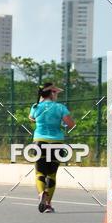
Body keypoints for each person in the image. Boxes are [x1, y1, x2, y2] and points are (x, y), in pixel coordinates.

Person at [29, 83, 75, 213]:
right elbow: (71, 124)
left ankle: (41, 194)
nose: (57, 95)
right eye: (56, 93)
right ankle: (48, 204)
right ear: (52, 93)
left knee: (39, 173)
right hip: (56, 142)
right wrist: (62, 123)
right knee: (52, 175)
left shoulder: (36, 107)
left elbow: (31, 118)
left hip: (39, 141)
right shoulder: (60, 108)